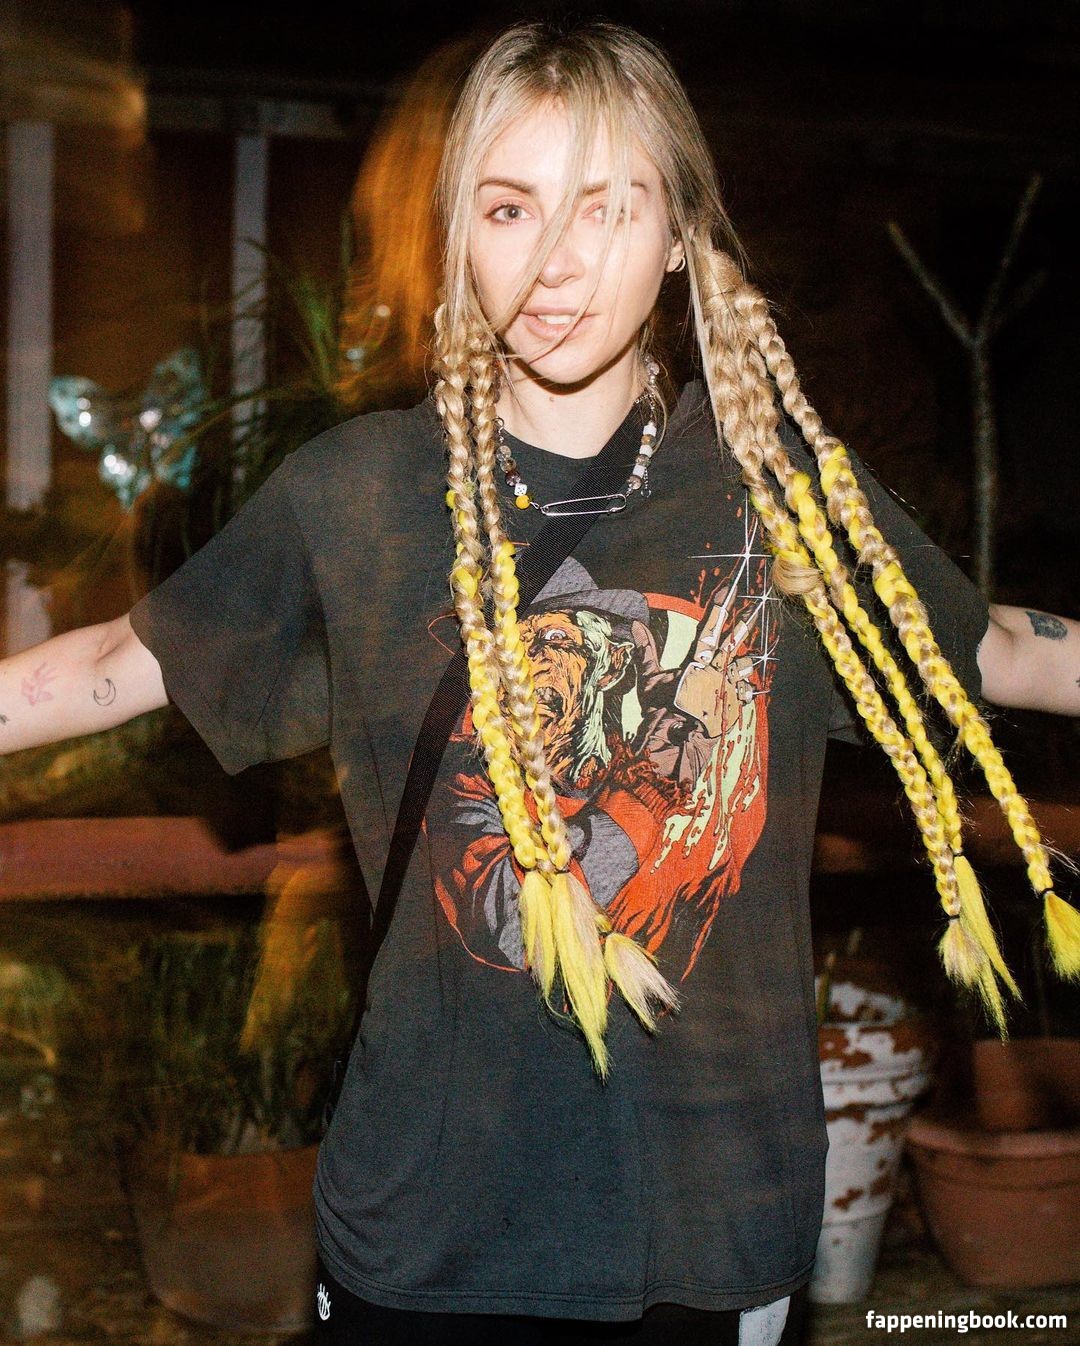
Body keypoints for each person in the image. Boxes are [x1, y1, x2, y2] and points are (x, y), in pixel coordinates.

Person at [2, 19, 1078, 1346]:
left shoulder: (775, 499)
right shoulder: (359, 498)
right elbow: (113, 665)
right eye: (510, 208)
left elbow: (1000, 649)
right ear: (459, 231)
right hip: (429, 1223)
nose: (556, 263)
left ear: (680, 234)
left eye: (607, 209)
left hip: (707, 1226)